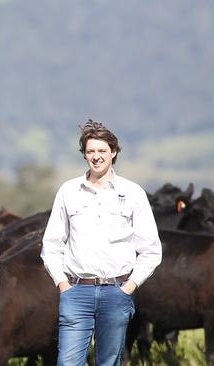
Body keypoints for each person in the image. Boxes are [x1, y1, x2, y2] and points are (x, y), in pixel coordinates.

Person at [41, 120, 162, 366]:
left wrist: (129, 287)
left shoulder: (132, 193)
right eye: (90, 151)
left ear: (114, 152)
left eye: (102, 151)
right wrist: (63, 284)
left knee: (109, 362)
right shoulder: (68, 191)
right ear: (84, 154)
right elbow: (51, 244)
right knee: (67, 363)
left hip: (116, 292)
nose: (96, 157)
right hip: (76, 292)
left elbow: (151, 250)